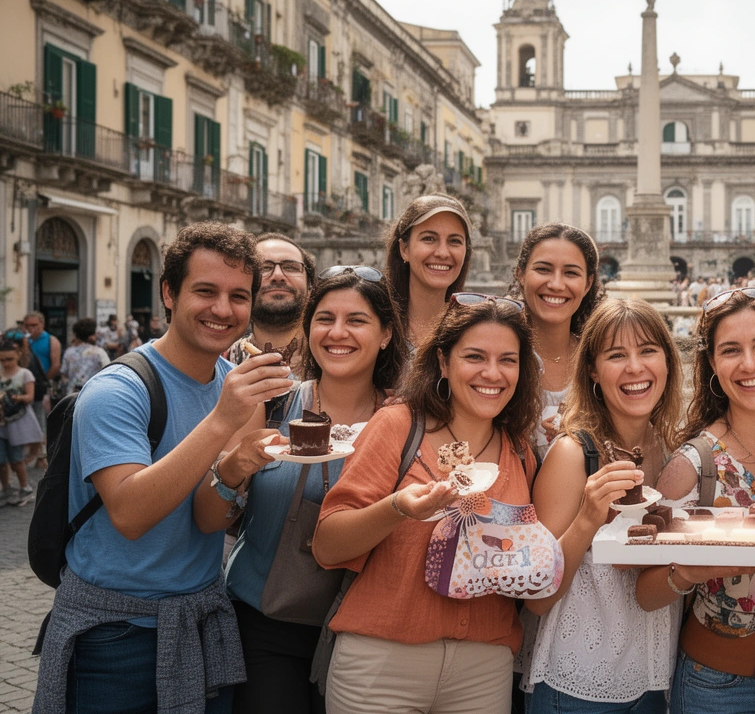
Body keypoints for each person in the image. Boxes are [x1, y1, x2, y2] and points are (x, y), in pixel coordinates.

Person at [33, 222, 295, 713]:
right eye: (206, 291)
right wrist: (222, 421)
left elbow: (208, 520)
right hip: (113, 635)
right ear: (169, 293)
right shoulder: (117, 391)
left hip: (201, 620)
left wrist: (237, 468)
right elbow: (132, 515)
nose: (223, 309)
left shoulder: (234, 386)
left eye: (239, 296)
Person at [312, 294, 542, 714]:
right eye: (474, 356)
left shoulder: (519, 450)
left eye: (507, 360)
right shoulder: (398, 425)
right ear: (443, 362)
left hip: (483, 670)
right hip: (382, 667)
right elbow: (328, 545)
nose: (492, 373)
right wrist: (397, 508)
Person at [195, 265, 405, 714]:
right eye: (325, 319)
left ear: (386, 334)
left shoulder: (407, 420)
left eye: (357, 320)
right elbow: (208, 519)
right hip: (267, 626)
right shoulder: (271, 402)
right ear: (308, 329)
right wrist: (234, 466)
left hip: (369, 633)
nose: (338, 333)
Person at [639, 286, 755, 714]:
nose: (749, 364)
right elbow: (645, 593)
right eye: (731, 350)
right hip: (716, 690)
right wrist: (692, 571)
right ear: (713, 365)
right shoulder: (694, 464)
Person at [523, 299, 682, 713]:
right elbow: (536, 599)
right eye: (616, 355)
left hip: (656, 683)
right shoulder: (573, 454)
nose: (635, 368)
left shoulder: (673, 450)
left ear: (667, 361)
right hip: (578, 687)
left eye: (648, 351)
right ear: (593, 370)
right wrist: (588, 517)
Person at [509, 223, 604, 461]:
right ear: (520, 274)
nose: (556, 284)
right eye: (543, 269)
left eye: (571, 273)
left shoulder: (599, 359)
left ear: (588, 283)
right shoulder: (498, 356)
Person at [385, 195, 473, 350]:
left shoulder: (473, 329)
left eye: (454, 241)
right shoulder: (377, 323)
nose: (443, 253)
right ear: (404, 249)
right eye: (429, 239)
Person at [225, 233, 315, 372]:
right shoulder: (216, 364)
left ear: (310, 286)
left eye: (290, 267)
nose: (278, 276)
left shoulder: (337, 360)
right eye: (264, 268)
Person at [0, 338, 42, 506]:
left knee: (17, 459)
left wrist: (17, 397)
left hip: (17, 421)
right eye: (2, 360)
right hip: (2, 421)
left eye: (9, 359)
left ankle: (25, 488)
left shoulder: (25, 374)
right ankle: (6, 488)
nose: (6, 363)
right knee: (1, 460)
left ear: (18, 355)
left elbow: (30, 397)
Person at [61, 317, 111, 394]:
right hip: (92, 394)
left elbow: (64, 374)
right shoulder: (99, 352)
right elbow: (109, 372)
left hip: (73, 394)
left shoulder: (69, 352)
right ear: (90, 336)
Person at [24, 311, 62, 392]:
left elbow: (56, 365)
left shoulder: (51, 340)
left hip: (43, 381)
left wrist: (44, 381)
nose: (30, 328)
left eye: (34, 325)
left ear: (42, 324)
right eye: (27, 325)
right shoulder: (24, 340)